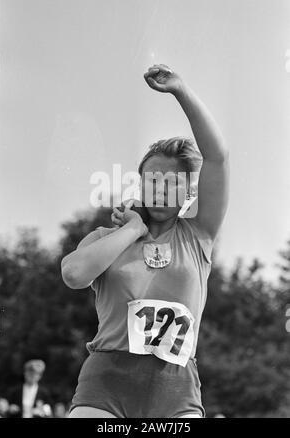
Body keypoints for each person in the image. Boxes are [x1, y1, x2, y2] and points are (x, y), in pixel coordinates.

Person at [62, 64, 230, 418]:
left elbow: (217, 158)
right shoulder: (108, 236)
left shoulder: (198, 235)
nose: (161, 187)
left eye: (172, 181)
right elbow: (74, 275)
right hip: (105, 386)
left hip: (176, 387)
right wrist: (132, 231)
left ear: (188, 192)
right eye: (153, 179)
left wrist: (181, 90)